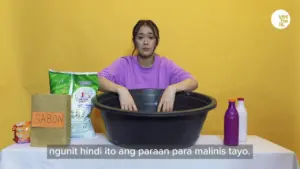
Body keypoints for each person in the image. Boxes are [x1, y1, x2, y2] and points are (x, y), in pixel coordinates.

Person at [98, 19, 198, 112]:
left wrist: (172, 89)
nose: (146, 42)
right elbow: (98, 80)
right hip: (129, 123)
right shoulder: (124, 64)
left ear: (156, 42)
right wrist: (120, 90)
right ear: (134, 41)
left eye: (150, 37)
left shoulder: (166, 65)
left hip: (161, 124)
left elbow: (193, 82)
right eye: (140, 37)